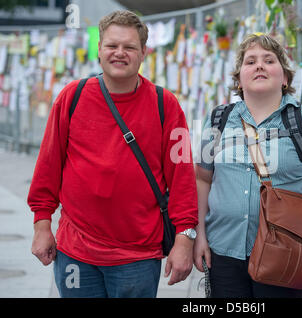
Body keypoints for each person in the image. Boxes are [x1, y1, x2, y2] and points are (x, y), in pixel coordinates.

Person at [28, 10, 198, 298]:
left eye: (129, 47)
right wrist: (41, 224)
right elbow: (48, 165)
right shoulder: (73, 96)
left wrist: (184, 238)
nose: (120, 53)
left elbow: (182, 178)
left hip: (138, 257)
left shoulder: (166, 105)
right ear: (99, 49)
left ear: (143, 52)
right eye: (112, 45)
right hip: (75, 253)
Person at [194, 34, 302, 298]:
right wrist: (199, 235)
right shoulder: (219, 120)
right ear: (239, 79)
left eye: (269, 60)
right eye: (250, 61)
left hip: (286, 255)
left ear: (285, 78)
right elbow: (202, 180)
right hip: (224, 253)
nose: (259, 66)